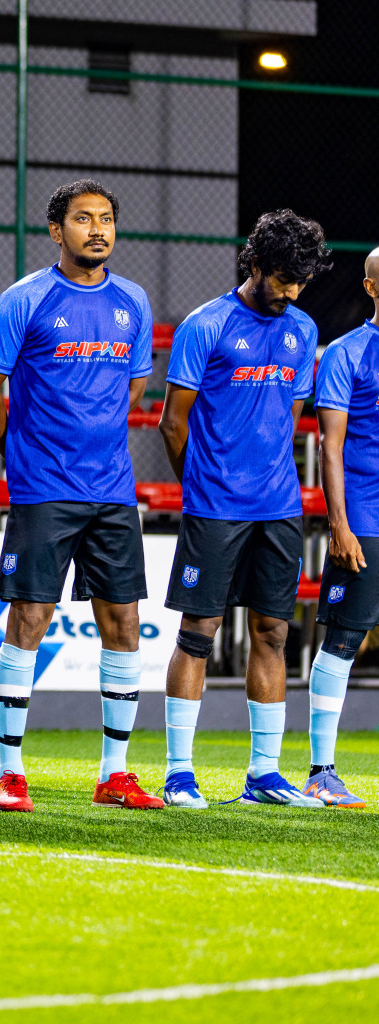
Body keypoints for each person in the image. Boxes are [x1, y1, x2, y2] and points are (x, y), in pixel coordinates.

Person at [0, 179, 162, 811]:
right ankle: (10, 772)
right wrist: (21, 456)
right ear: (58, 232)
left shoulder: (133, 300)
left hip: (110, 489)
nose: (97, 230)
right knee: (29, 619)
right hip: (43, 489)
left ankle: (114, 775)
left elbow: (132, 392)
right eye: (83, 220)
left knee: (124, 622)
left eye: (106, 219)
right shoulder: (24, 299)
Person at [155, 209, 329, 810]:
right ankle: (179, 774)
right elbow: (171, 423)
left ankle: (265, 775)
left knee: (274, 632)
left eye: (300, 282)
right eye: (282, 278)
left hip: (278, 508)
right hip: (214, 509)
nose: (290, 292)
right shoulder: (205, 325)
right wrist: (203, 486)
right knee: (198, 633)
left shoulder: (302, 329)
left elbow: (291, 416)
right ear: (254, 262)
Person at [297, 247, 379, 809]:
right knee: (346, 640)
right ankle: (321, 770)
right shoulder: (348, 353)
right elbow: (331, 446)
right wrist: (340, 525)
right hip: (367, 519)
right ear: (372, 288)